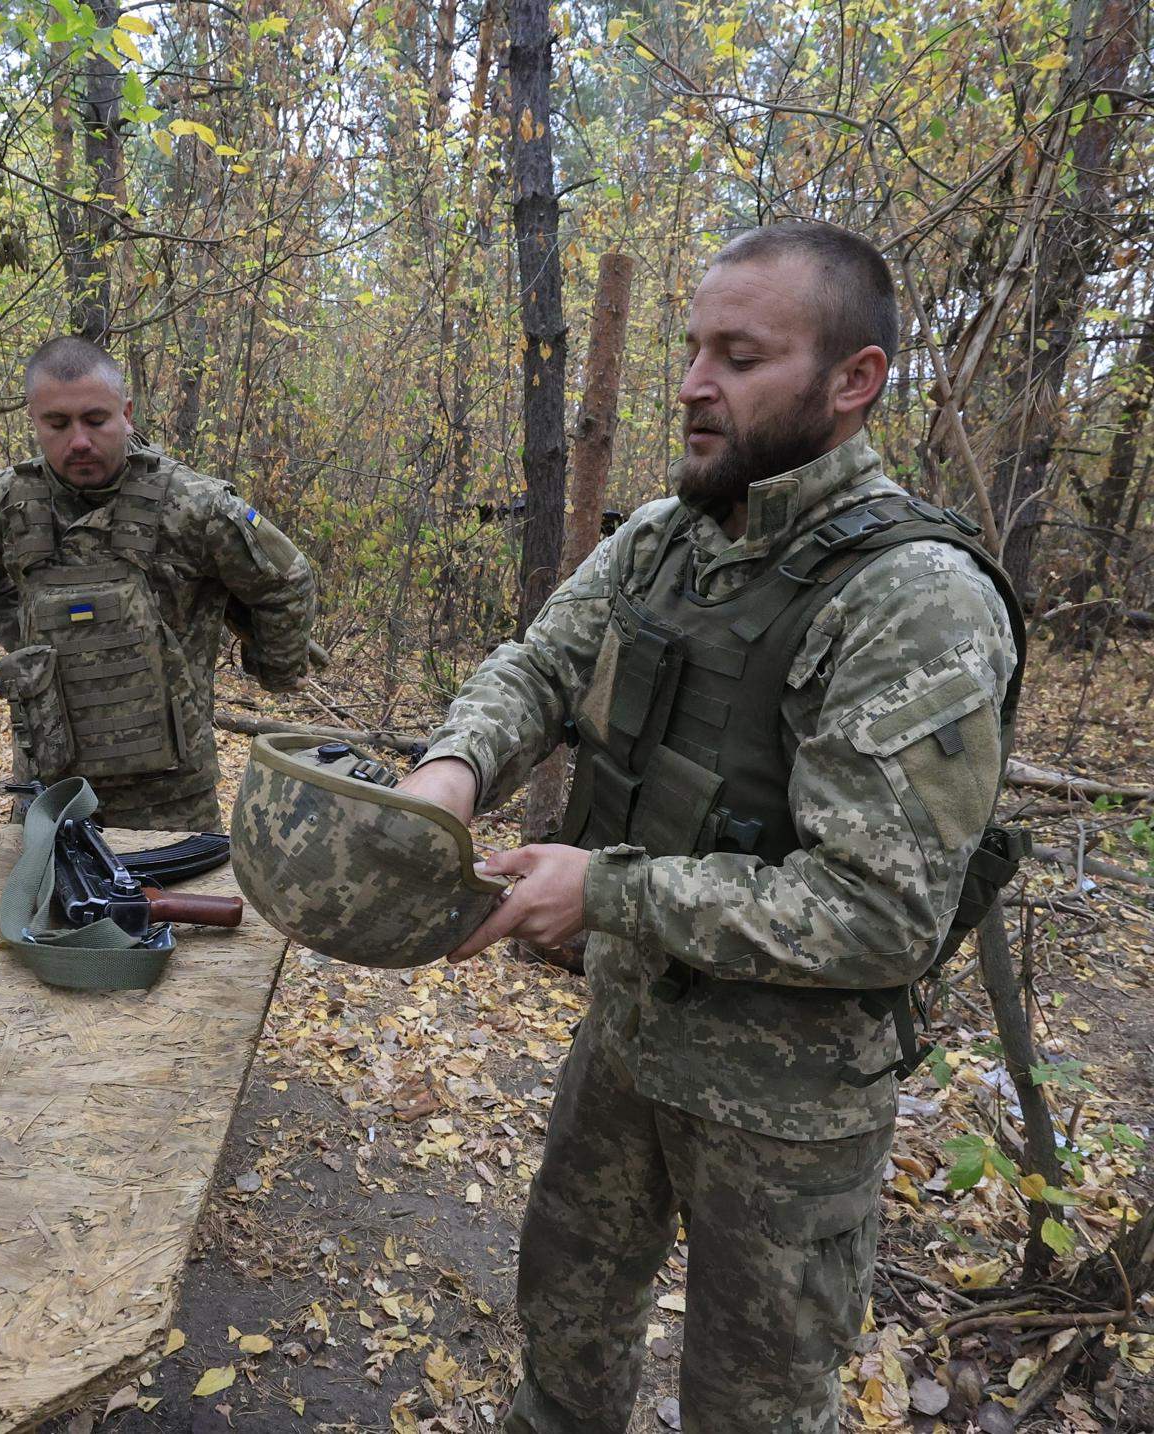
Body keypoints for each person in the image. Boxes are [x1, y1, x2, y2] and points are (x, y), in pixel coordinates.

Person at [397, 223, 1019, 1432]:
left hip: (785, 1113)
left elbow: (881, 912)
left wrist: (610, 892)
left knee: (756, 1408)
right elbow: (537, 669)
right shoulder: (669, 538)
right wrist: (449, 770)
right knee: (563, 1339)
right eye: (692, 350)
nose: (691, 385)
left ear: (855, 381)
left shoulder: (915, 601)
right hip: (630, 1040)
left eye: (738, 356)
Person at [0, 337, 315, 830]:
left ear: (127, 413)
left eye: (95, 420)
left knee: (181, 907)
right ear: (34, 420)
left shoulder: (193, 505)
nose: (78, 440)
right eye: (57, 424)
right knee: (49, 906)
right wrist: (28, 642)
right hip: (50, 793)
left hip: (171, 797)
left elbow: (287, 580)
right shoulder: (2, 503)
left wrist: (275, 668)